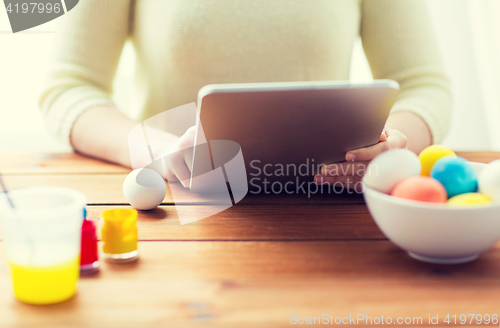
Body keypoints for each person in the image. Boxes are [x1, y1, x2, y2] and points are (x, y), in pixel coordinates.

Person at [39, 0, 451, 190]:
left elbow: (423, 85)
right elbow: (70, 87)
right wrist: (160, 153)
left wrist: (390, 144)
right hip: (178, 207)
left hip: (327, 205)